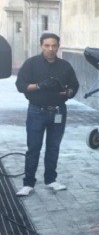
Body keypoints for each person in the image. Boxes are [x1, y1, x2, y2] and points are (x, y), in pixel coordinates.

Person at [14, 33, 79, 197]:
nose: (51, 49)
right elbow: (20, 85)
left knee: (53, 147)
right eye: (47, 45)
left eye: (54, 46)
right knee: (34, 147)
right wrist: (39, 86)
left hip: (58, 111)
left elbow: (74, 87)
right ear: (41, 46)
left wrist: (67, 91)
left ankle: (51, 179)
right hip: (37, 111)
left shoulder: (65, 66)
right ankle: (28, 183)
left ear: (58, 47)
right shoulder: (31, 64)